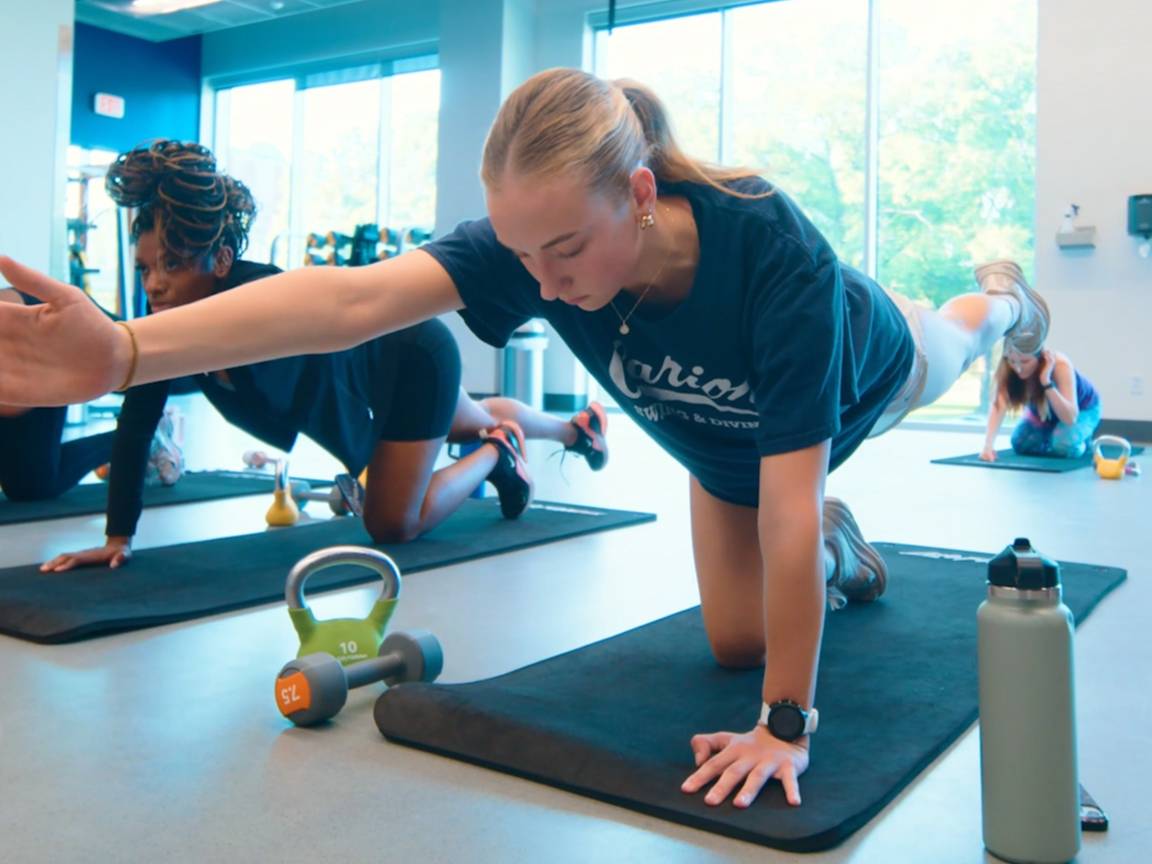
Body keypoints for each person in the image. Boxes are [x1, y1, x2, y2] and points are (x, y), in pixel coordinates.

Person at [0, 70, 1047, 807]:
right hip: (724, 447)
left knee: (947, 344)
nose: (543, 287)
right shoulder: (539, 242)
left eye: (563, 251)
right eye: (519, 255)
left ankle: (999, 297)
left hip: (866, 376)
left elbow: (780, 510)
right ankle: (841, 540)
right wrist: (125, 355)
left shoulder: (777, 262)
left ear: (640, 196)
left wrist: (786, 725)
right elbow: (350, 302)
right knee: (735, 642)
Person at [32, 140, 607, 572]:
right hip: (386, 370)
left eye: (174, 265)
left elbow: (329, 389)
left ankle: (498, 453)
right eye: (146, 269)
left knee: (392, 522)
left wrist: (363, 472)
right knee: (469, 416)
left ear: (223, 260)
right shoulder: (167, 330)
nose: (154, 285)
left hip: (410, 359)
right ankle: (574, 430)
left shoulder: (267, 300)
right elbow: (137, 419)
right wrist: (118, 537)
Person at [0, 288, 181, 501]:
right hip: (21, 356)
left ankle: (147, 433)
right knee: (30, 486)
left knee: (162, 367)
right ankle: (144, 436)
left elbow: (14, 404)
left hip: (46, 332)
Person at [981, 338, 1100, 461]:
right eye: (1012, 361)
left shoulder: (1060, 364)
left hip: (1082, 410)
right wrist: (988, 446)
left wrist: (1046, 382)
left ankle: (1084, 442)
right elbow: (998, 405)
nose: (1018, 368)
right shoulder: (1009, 369)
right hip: (1043, 410)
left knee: (1062, 446)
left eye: (1025, 361)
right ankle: (1053, 434)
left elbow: (1070, 418)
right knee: (1020, 443)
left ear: (1039, 357)